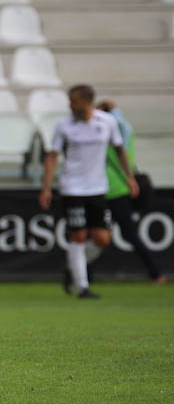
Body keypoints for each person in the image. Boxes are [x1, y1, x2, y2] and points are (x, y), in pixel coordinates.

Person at [38, 84, 137, 300]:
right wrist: (46, 187)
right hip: (72, 187)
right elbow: (52, 156)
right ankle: (82, 286)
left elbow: (120, 149)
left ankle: (73, 266)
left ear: (86, 101)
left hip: (98, 187)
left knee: (102, 239)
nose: (70, 105)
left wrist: (130, 177)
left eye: (73, 100)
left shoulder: (107, 122)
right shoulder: (64, 125)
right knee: (79, 235)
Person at [95, 99, 166, 285]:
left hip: (109, 189)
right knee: (125, 234)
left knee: (97, 234)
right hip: (120, 188)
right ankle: (155, 273)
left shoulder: (108, 133)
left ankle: (84, 275)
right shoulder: (127, 130)